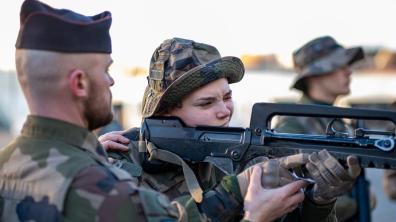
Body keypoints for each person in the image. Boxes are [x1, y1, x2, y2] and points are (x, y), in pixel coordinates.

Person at [0, 1, 316, 221]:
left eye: (227, 98)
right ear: (79, 83)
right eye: (106, 70)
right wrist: (254, 215)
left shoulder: (9, 163)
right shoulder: (103, 186)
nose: (111, 80)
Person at [101, 37, 361, 221]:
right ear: (166, 111)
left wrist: (319, 202)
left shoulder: (237, 155)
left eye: (227, 97)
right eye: (206, 103)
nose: (225, 111)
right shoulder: (121, 159)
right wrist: (235, 193)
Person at [275, 35, 374, 222]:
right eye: (339, 65)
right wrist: (354, 203)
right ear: (315, 74)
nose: (348, 71)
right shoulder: (292, 126)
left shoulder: (336, 120)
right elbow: (289, 204)